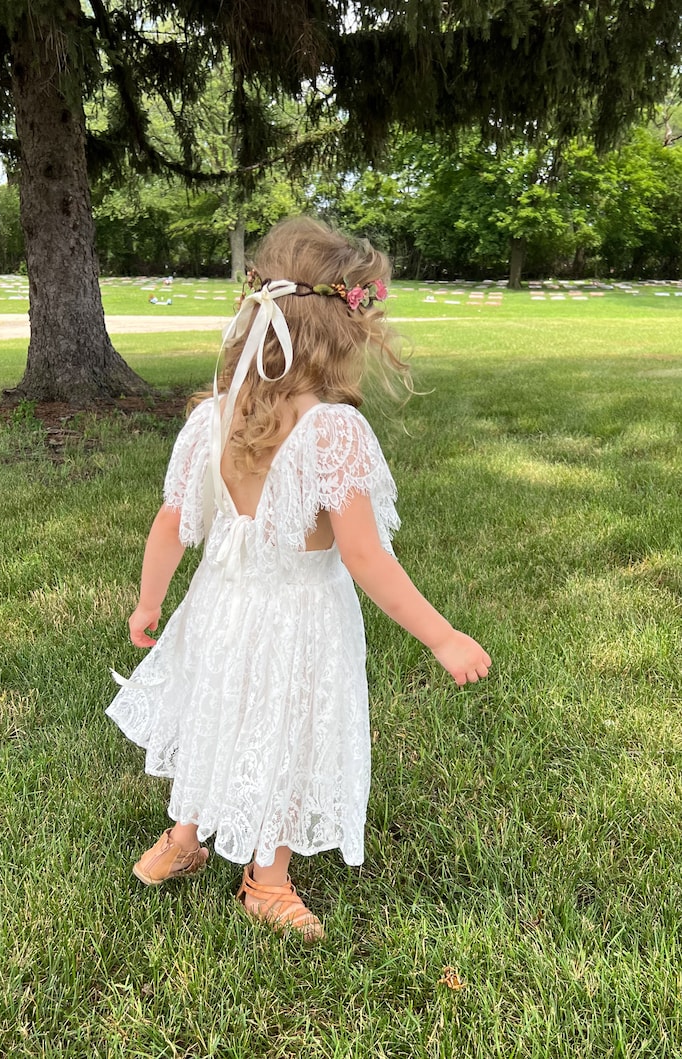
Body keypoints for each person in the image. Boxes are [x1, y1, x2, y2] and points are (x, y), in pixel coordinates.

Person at [107, 216, 491, 942]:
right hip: (299, 621)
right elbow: (366, 557)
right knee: (284, 733)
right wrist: (442, 637)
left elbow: (171, 522)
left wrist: (148, 602)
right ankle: (266, 881)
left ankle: (184, 838)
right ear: (342, 333)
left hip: (219, 607)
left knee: (220, 711)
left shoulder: (214, 418)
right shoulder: (332, 431)